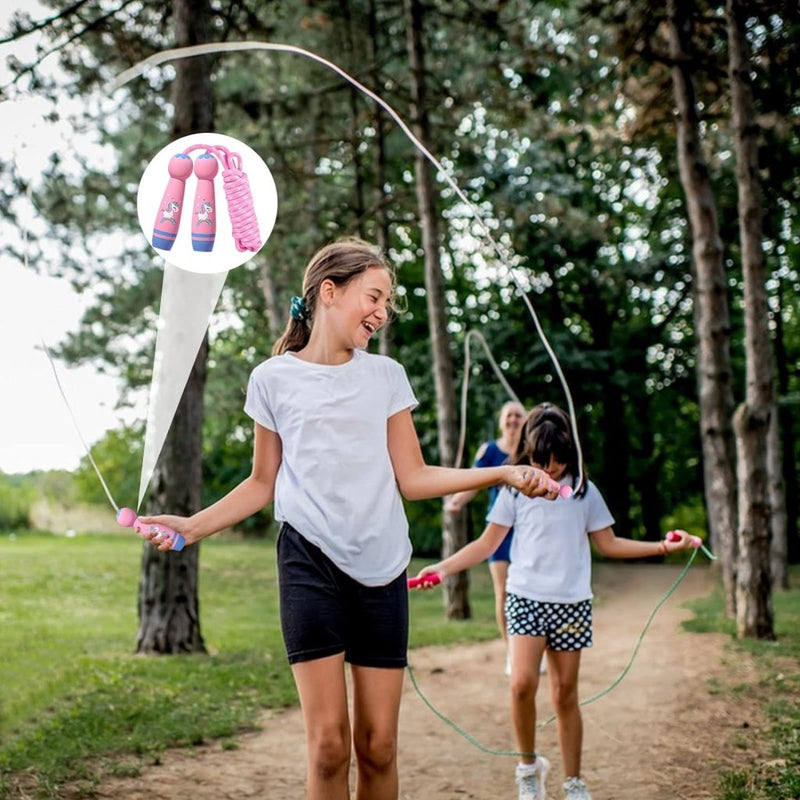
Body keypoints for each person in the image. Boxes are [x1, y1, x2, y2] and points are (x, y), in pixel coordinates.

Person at [138, 237, 554, 800]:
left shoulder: (385, 376)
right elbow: (262, 484)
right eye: (374, 296)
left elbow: (414, 476)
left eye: (388, 301)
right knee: (329, 748)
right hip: (308, 562)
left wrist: (500, 475)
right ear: (329, 292)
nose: (382, 312)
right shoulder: (272, 379)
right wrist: (190, 526)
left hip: (382, 568)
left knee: (378, 746)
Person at [413, 402, 696, 800]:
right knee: (521, 685)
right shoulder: (515, 490)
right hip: (526, 598)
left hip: (571, 604)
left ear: (570, 453)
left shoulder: (583, 492)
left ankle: (574, 782)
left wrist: (663, 547)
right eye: (544, 461)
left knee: (565, 694)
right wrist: (440, 569)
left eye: (560, 461)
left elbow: (609, 544)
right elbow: (486, 544)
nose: (552, 470)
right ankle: (529, 769)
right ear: (528, 451)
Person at [445, 401, 526, 671]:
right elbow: (474, 481)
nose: (514, 420)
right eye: (509, 415)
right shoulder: (490, 451)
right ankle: (512, 652)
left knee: (528, 590)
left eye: (518, 415)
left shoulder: (532, 449)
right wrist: (457, 501)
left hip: (528, 530)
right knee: (502, 591)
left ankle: (532, 648)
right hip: (500, 530)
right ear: (502, 421)